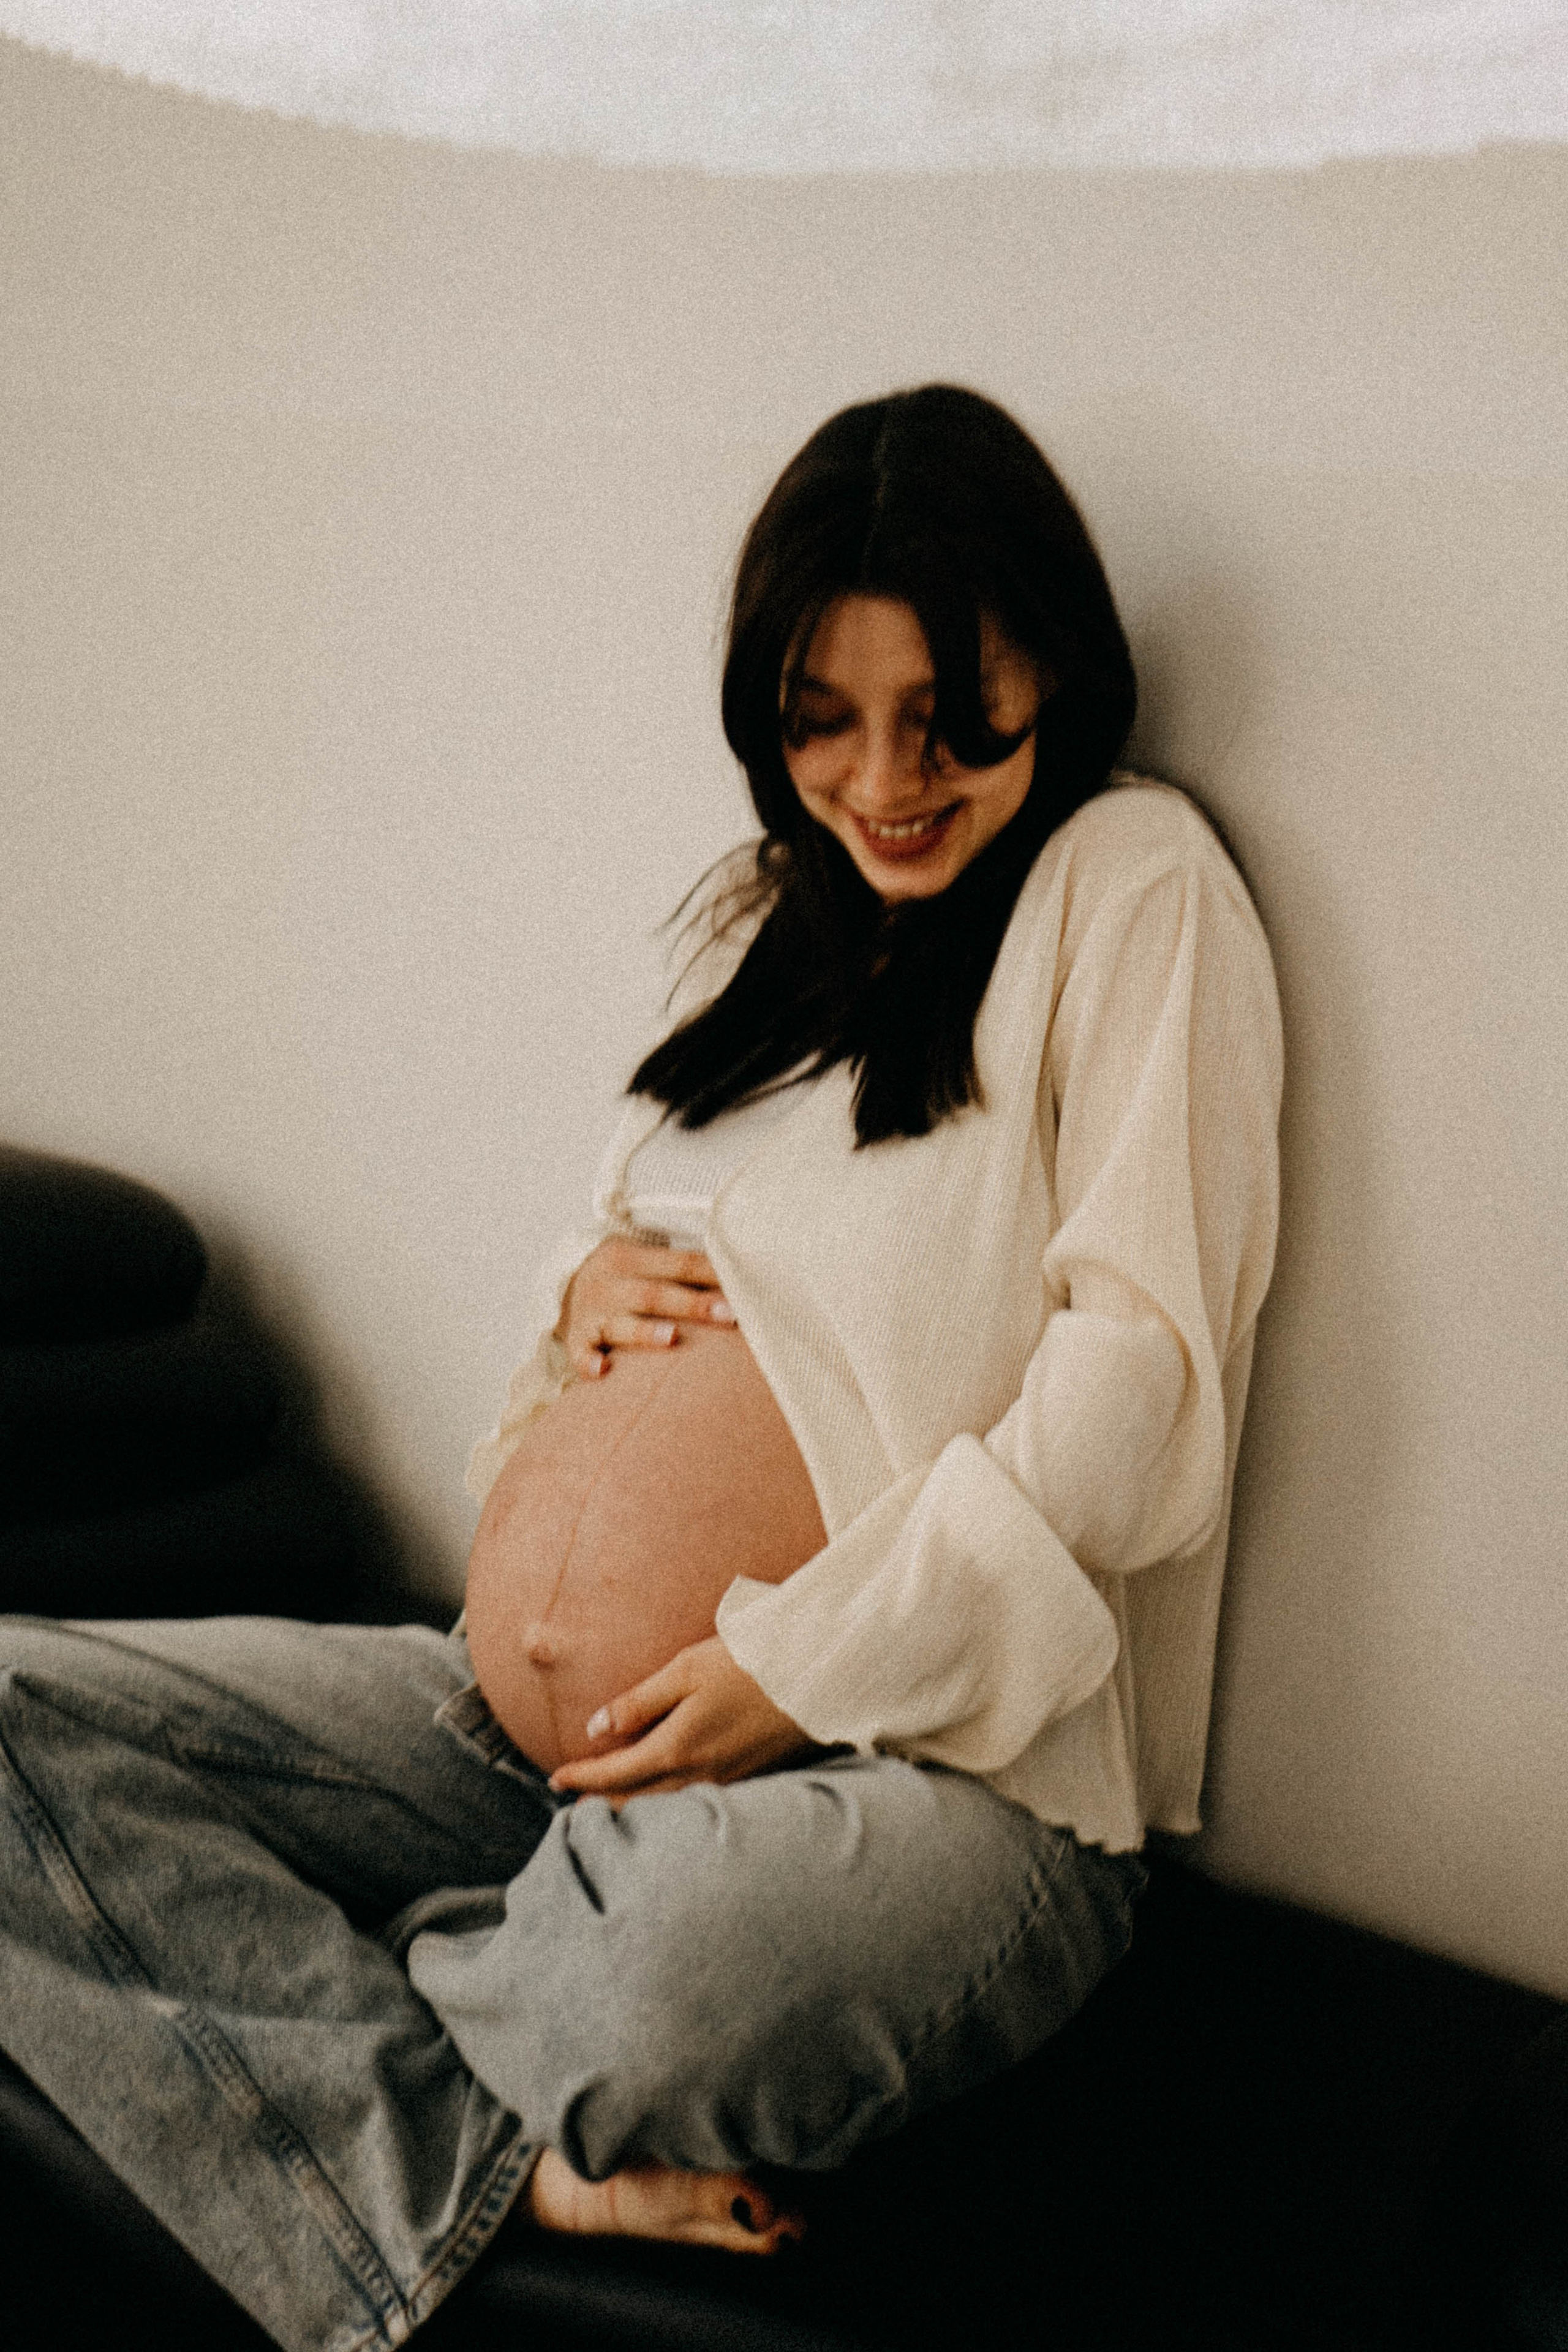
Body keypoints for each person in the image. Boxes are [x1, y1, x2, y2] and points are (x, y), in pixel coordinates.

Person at [0, 385, 1282, 2352]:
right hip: (525, 1744)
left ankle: (323, 2019)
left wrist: (799, 1667)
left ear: (1058, 657)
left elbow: (1139, 1403)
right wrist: (576, 1295)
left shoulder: (1132, 885)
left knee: (646, 1995)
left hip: (938, 1776)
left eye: (948, 712)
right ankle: (457, 2126)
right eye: (822, 720)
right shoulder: (765, 932)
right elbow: (639, 1307)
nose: (887, 778)